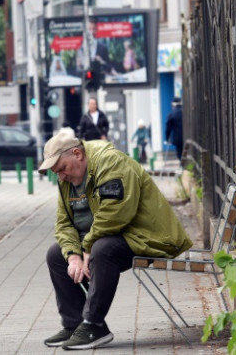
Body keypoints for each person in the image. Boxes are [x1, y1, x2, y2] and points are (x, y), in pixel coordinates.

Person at [38, 127, 192, 350]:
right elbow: (64, 223)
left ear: (77, 154)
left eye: (61, 168)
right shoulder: (67, 180)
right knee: (56, 254)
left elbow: (116, 212)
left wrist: (88, 247)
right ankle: (75, 324)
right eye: (56, 172)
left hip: (148, 236)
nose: (60, 176)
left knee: (102, 250)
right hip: (109, 237)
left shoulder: (110, 162)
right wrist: (73, 256)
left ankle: (94, 324)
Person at [165, 96, 184, 164]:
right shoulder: (185, 112)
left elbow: (168, 127)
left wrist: (167, 139)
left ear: (173, 104)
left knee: (180, 154)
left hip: (178, 139)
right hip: (188, 137)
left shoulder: (172, 114)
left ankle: (183, 166)